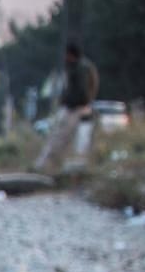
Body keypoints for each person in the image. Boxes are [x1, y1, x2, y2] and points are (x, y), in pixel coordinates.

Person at [33, 41, 99, 173]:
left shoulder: (81, 68)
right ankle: (49, 165)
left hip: (76, 108)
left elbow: (82, 91)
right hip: (76, 106)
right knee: (63, 137)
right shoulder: (80, 66)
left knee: (60, 136)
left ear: (71, 54)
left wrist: (70, 101)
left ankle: (45, 166)